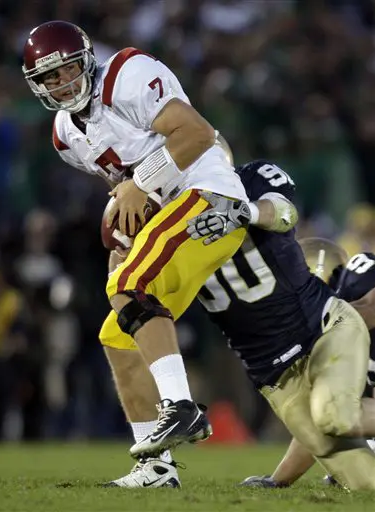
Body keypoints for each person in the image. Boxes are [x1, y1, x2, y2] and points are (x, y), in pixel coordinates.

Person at [22, 20, 264, 458]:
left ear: (87, 60)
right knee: (118, 335)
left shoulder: (127, 74)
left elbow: (198, 133)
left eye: (67, 70)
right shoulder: (65, 135)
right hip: (169, 214)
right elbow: (125, 190)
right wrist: (124, 235)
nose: (61, 84)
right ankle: (154, 465)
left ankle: (181, 406)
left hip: (207, 197)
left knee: (127, 285)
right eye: (49, 77)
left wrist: (142, 184)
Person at [102, 160, 375, 489]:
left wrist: (243, 211)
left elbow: (285, 212)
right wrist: (122, 254)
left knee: (335, 415)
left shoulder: (250, 179)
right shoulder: (166, 229)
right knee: (365, 486)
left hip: (321, 328)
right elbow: (134, 298)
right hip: (273, 376)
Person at [242, 238, 375, 489]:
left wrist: (327, 322)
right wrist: (278, 481)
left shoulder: (358, 281)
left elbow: (370, 305)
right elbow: (320, 422)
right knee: (332, 412)